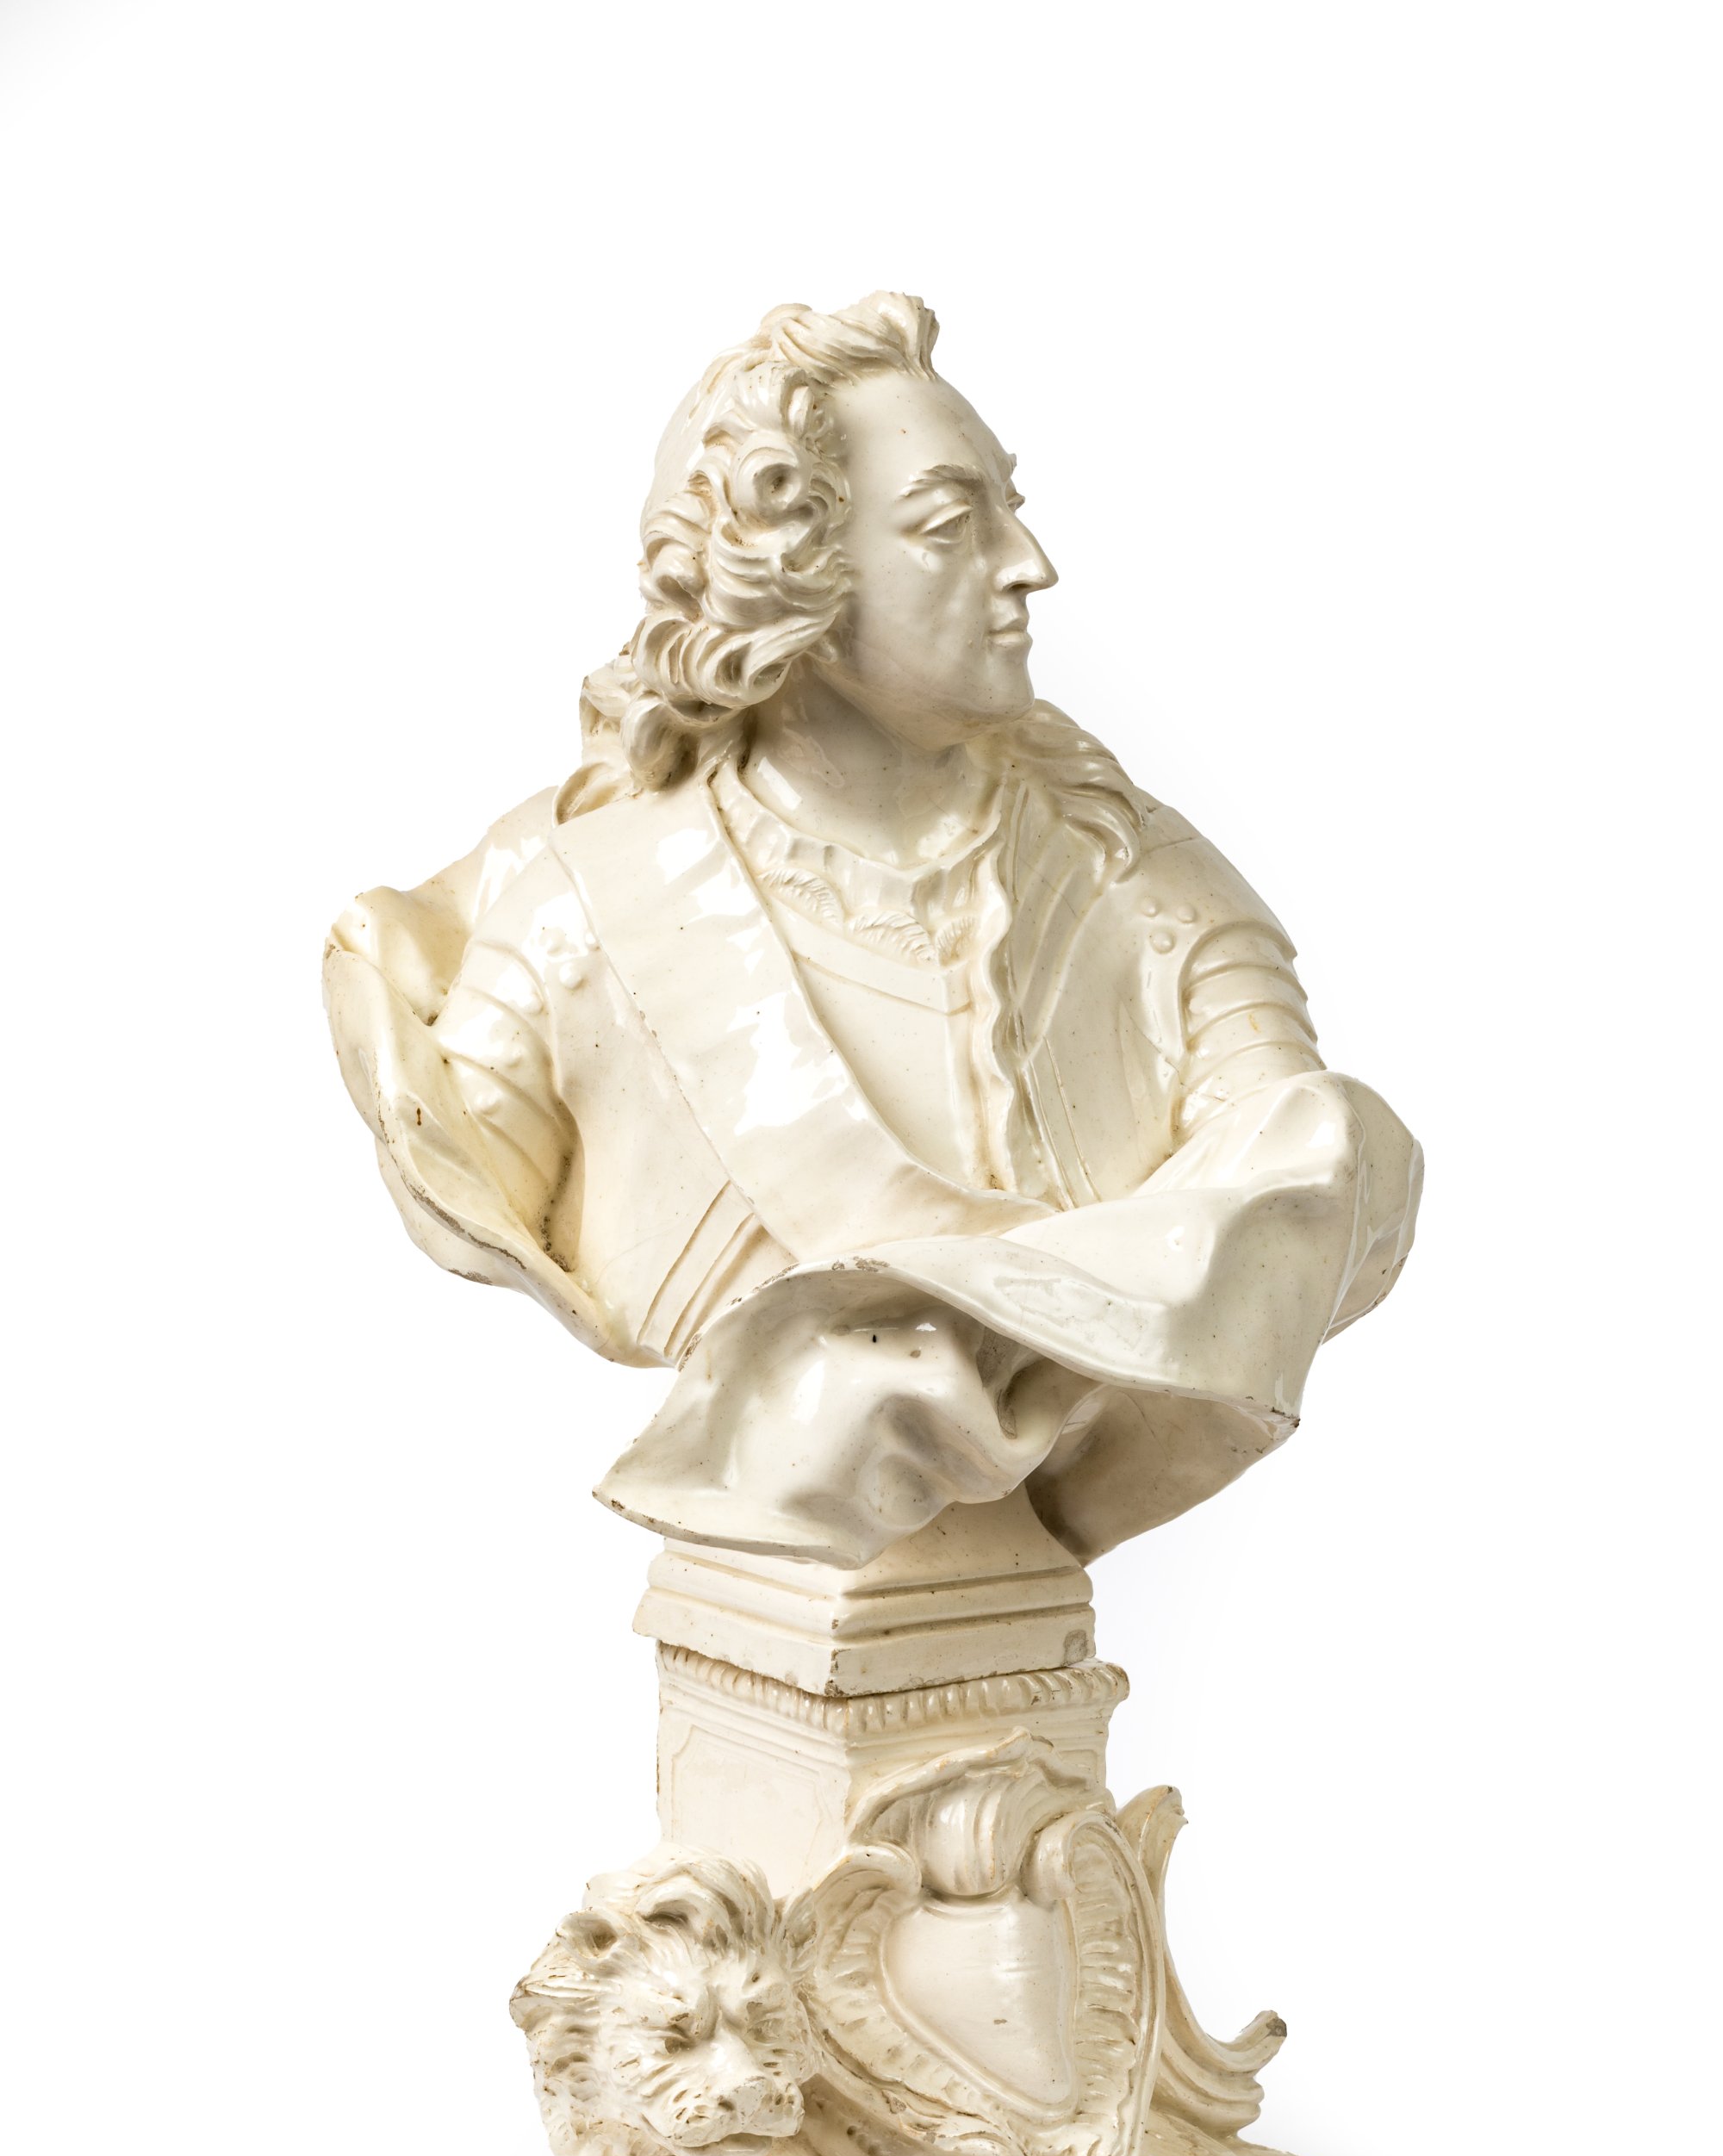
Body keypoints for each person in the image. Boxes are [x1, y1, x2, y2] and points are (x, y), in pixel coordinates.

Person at [326, 292, 1421, 1570]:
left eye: (1013, 506)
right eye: (954, 525)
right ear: (789, 579)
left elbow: (1295, 1160)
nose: (1029, 563)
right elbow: (467, 1160)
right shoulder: (586, 916)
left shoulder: (1134, 877)